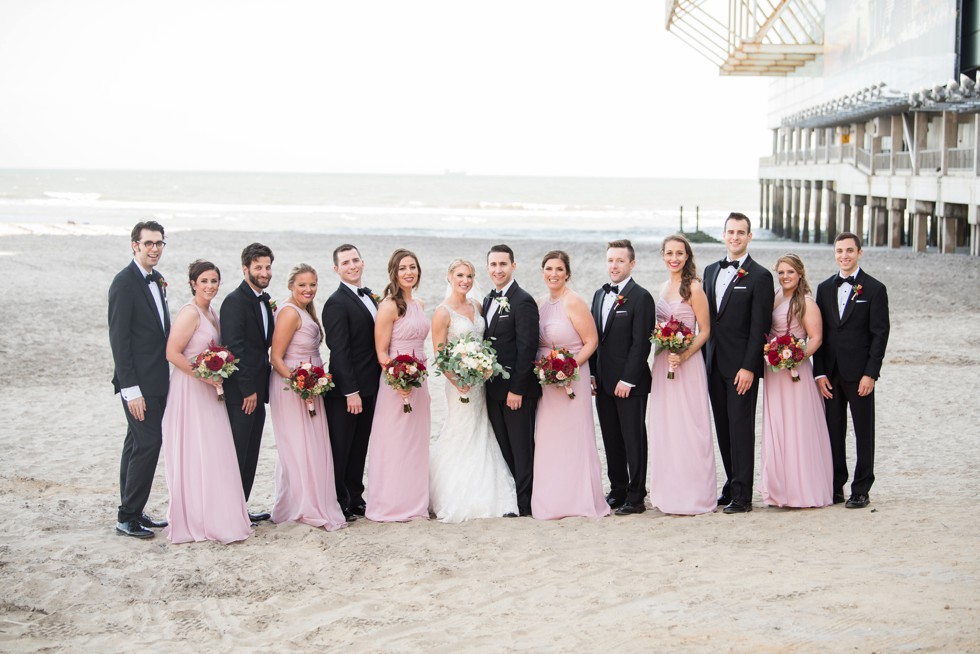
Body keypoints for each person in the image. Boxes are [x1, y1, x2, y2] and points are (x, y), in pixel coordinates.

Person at [162, 260, 252, 543]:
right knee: (196, 450)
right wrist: (203, 376)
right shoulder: (190, 314)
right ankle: (196, 518)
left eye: (214, 281)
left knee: (213, 451)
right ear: (193, 283)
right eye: (204, 281)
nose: (210, 286)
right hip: (190, 390)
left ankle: (214, 512)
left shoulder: (211, 311)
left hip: (211, 390)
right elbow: (173, 353)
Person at [429, 259, 518, 522]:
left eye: (469, 276)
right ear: (449, 277)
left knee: (482, 428)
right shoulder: (442, 312)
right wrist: (457, 379)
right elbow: (440, 355)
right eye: (459, 275)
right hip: (458, 385)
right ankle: (455, 492)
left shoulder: (477, 306)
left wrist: (481, 367)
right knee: (460, 430)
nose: (465, 280)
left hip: (480, 382)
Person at [703, 212, 774, 514]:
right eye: (730, 232)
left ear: (749, 237)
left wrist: (749, 367)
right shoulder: (709, 271)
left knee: (741, 428)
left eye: (740, 232)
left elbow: (761, 327)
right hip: (713, 362)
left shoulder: (760, 276)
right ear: (724, 234)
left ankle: (743, 496)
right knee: (723, 427)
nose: (735, 237)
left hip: (741, 367)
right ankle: (732, 484)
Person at [813, 233, 890, 509]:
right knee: (833, 432)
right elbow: (818, 334)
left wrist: (871, 373)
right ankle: (836, 486)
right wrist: (819, 373)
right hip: (830, 375)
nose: (844, 255)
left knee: (863, 432)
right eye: (839, 251)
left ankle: (861, 488)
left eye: (849, 250)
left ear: (860, 252)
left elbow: (880, 335)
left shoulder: (874, 289)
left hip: (860, 375)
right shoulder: (823, 288)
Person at [268, 264, 347, 531]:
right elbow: (275, 357)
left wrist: (312, 385)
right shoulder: (289, 313)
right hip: (293, 387)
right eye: (302, 285)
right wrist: (300, 385)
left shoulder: (304, 310)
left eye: (312, 284)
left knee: (311, 444)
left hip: (311, 385)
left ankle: (309, 499)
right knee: (299, 444)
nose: (308, 289)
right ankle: (302, 504)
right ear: (291, 285)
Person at [531, 251, 609, 520]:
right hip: (546, 383)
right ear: (543, 272)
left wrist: (568, 368)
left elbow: (591, 341)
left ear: (567, 273)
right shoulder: (539, 303)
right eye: (549, 268)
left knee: (574, 438)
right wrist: (546, 371)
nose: (553, 274)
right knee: (549, 440)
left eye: (559, 269)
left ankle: (578, 499)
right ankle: (552, 500)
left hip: (571, 380)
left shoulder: (574, 302)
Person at [107, 220, 171, 538]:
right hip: (137, 385)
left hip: (159, 379)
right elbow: (120, 341)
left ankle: (133, 510)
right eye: (149, 243)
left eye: (159, 243)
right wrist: (131, 390)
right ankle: (127, 517)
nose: (155, 248)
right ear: (135, 245)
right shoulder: (124, 282)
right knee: (149, 443)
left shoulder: (157, 280)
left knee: (135, 444)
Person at [647, 235, 716, 515]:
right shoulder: (664, 287)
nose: (674, 258)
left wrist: (684, 354)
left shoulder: (694, 288)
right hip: (664, 363)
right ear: (663, 256)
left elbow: (706, 331)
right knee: (666, 428)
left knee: (690, 427)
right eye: (669, 253)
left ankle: (695, 495)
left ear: (687, 257)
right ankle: (669, 492)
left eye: (679, 253)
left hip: (687, 364)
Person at [760, 254, 834, 508]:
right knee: (778, 425)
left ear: (800, 273)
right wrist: (774, 354)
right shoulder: (775, 297)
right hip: (774, 371)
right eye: (781, 272)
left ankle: (802, 490)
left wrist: (794, 357)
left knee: (796, 427)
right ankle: (781, 489)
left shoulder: (806, 303)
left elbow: (815, 338)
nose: (785, 277)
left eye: (790, 272)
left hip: (795, 372)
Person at [589, 239, 656, 515]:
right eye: (610, 260)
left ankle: (636, 495)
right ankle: (617, 489)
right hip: (603, 382)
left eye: (619, 260)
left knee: (633, 438)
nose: (614, 266)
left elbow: (642, 343)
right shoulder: (598, 295)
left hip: (630, 383)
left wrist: (627, 380)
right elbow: (594, 339)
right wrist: (593, 373)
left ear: (632, 263)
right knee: (611, 437)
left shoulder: (641, 297)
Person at [365, 249, 431, 522]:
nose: (409, 272)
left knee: (416, 442)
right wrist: (398, 380)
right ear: (394, 272)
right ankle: (391, 503)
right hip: (396, 382)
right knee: (394, 441)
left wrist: (414, 380)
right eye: (403, 268)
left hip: (420, 381)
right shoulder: (389, 305)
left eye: (413, 267)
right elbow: (381, 351)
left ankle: (415, 503)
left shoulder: (420, 304)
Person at [483, 244, 541, 517]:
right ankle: (511, 498)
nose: (498, 270)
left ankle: (525, 503)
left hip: (517, 391)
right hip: (492, 389)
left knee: (521, 447)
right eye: (493, 265)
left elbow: (527, 348)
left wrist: (517, 389)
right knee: (503, 446)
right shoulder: (487, 300)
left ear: (513, 266)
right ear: (488, 268)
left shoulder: (523, 301)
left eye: (503, 264)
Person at [322, 244, 378, 521]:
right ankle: (339, 500)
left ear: (363, 262)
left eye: (355, 260)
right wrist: (351, 392)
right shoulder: (335, 302)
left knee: (360, 446)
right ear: (337, 269)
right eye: (346, 262)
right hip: (348, 391)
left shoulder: (370, 297)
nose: (352, 265)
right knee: (341, 447)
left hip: (371, 386)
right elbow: (339, 351)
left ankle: (355, 496)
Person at [220, 243, 275, 523]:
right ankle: (229, 511)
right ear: (245, 269)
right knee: (238, 452)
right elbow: (234, 348)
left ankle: (241, 507)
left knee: (251, 452)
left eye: (267, 267)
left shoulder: (264, 300)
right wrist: (248, 390)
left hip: (259, 390)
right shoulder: (234, 301)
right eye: (258, 267)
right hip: (243, 393)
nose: (264, 272)